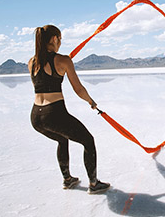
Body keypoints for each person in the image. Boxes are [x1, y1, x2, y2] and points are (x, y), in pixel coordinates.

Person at [29, 25, 110, 194]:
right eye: (60, 39)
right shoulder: (63, 60)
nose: (60, 43)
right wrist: (91, 101)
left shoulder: (31, 62)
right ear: (53, 39)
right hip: (54, 114)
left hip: (36, 117)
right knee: (88, 141)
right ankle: (94, 184)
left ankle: (68, 179)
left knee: (62, 139)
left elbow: (44, 81)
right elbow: (79, 89)